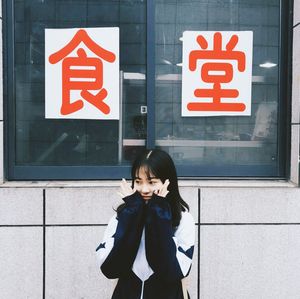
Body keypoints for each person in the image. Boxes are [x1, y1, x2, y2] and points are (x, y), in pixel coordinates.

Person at [96, 149, 195, 299]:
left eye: (152, 182)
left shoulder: (183, 219)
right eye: (138, 181)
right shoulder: (121, 217)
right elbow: (111, 269)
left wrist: (159, 215)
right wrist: (132, 215)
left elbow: (170, 271)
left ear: (167, 182)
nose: (144, 189)